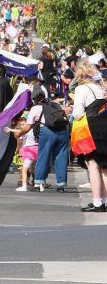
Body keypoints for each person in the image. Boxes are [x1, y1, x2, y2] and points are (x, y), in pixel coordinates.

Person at [71, 60, 107, 211]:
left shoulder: (81, 89)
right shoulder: (101, 88)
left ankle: (97, 202)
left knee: (92, 164)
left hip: (90, 129)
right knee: (105, 167)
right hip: (104, 125)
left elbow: (78, 114)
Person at [25, 84, 69, 192]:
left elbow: (27, 126)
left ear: (34, 99)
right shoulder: (55, 105)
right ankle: (61, 185)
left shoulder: (35, 108)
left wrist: (18, 133)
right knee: (61, 157)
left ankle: (38, 183)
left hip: (48, 132)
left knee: (43, 156)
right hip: (63, 132)